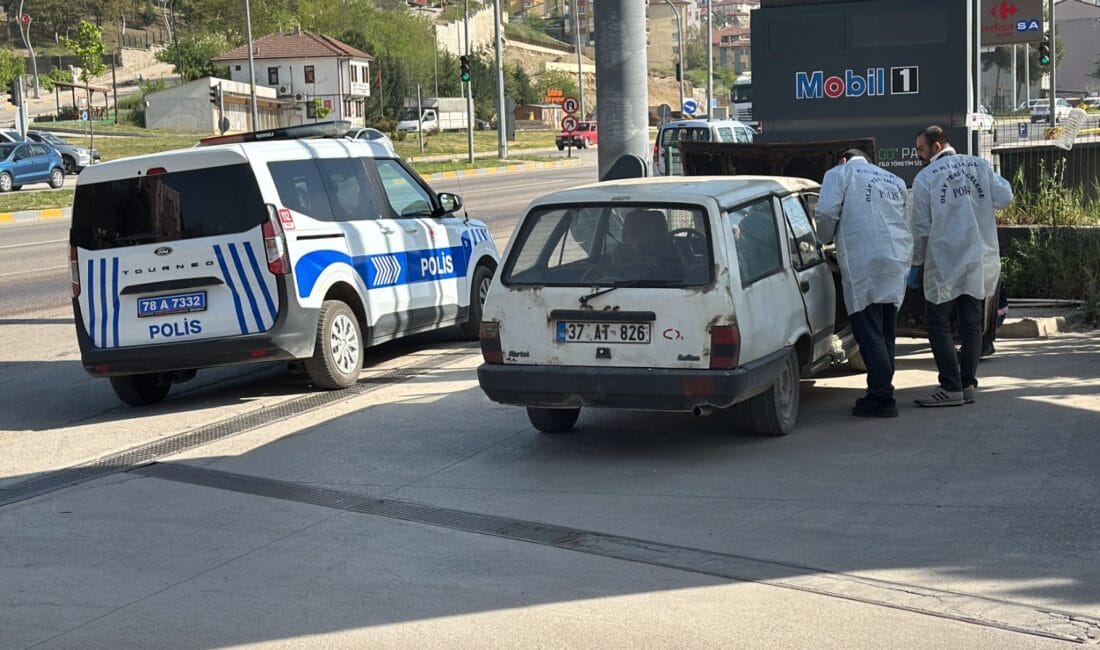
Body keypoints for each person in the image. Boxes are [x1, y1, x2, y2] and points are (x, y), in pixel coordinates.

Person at [910, 126, 1013, 407]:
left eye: (920, 149)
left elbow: (920, 227)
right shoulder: (979, 165)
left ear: (936, 146)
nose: (918, 154)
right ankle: (967, 384)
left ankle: (950, 386)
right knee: (971, 323)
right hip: (980, 258)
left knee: (937, 321)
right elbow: (1005, 198)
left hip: (946, 260)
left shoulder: (925, 178)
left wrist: (915, 264)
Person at [816, 149, 912, 418]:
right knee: (885, 331)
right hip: (895, 258)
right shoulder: (893, 179)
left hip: (864, 262)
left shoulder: (840, 173)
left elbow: (825, 213)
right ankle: (879, 390)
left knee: (868, 332)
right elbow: (905, 220)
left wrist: (821, 239)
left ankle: (883, 398)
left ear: (843, 159)